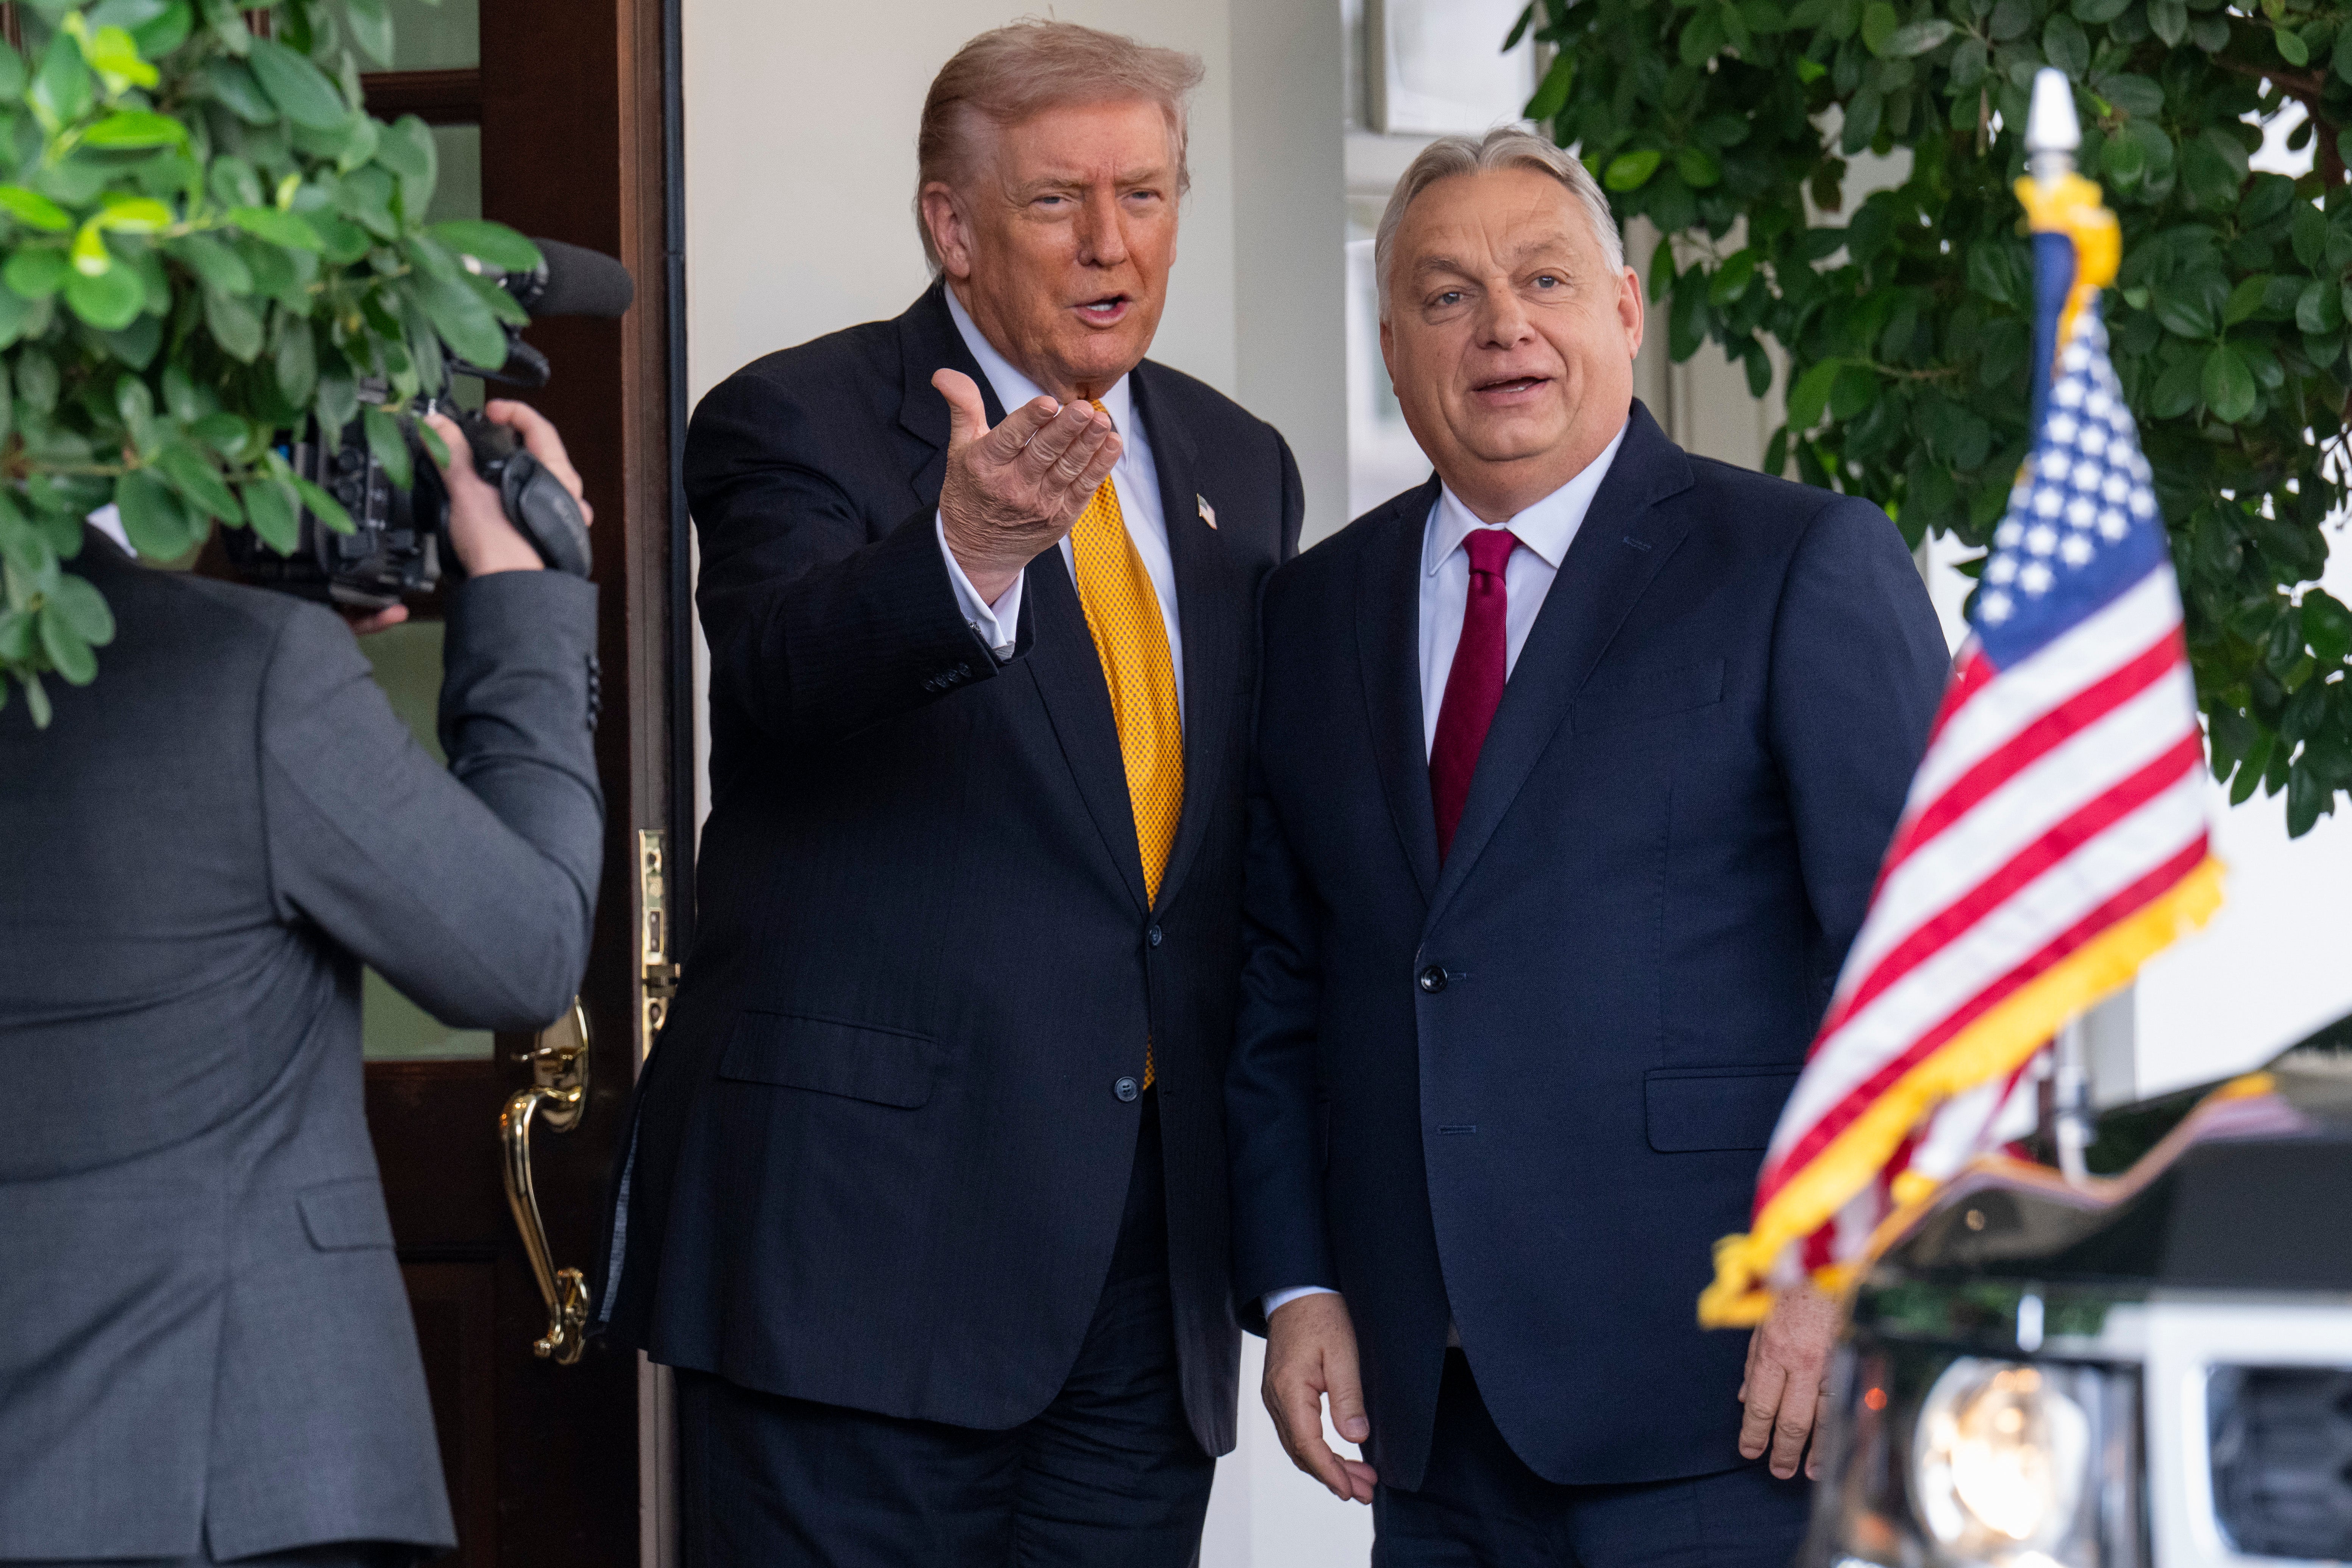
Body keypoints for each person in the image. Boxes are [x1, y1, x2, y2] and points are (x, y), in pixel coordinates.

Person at [593, 19, 1302, 1566]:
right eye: (1056, 202)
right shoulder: (798, 420)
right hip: (861, 1265)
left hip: (1136, 1276)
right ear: (952, 225)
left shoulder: (1236, 464)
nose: (1111, 243)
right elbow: (781, 671)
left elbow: (1221, 866)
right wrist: (963, 555)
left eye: (1145, 194)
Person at [1226, 128, 1950, 1565]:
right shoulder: (1311, 612)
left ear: (1623, 309)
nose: (1502, 326)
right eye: (1446, 295)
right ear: (1390, 347)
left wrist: (1841, 1269)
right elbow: (1277, 982)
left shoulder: (1799, 561)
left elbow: (1913, 961)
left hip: (1719, 1394)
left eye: (1543, 279)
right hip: (1426, 1406)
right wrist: (1299, 1283)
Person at [0, 404, 602, 1568]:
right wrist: (520, 601)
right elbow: (521, 951)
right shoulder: (242, 668)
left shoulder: (242, 657)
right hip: (234, 1479)